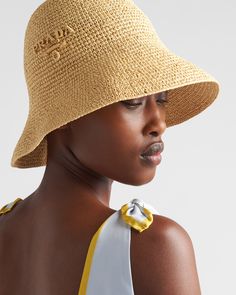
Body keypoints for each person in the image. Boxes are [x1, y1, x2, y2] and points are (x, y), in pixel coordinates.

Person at [0, 0, 220, 294]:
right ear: (62, 114)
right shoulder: (152, 247)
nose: (159, 123)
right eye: (132, 101)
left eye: (161, 99)